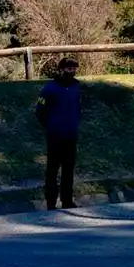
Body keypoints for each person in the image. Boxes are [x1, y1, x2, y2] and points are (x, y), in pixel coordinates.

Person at [35, 57, 82, 210]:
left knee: (68, 170)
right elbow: (40, 110)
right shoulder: (49, 88)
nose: (72, 71)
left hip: (71, 134)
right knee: (53, 170)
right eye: (69, 68)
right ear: (61, 70)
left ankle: (67, 200)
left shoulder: (76, 87)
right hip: (55, 135)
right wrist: (50, 126)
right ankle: (51, 201)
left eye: (74, 68)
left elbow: (79, 108)